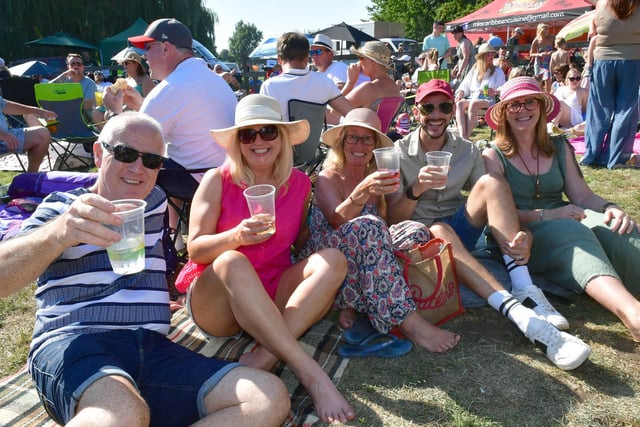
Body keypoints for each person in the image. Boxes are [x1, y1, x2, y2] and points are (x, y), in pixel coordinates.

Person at [0, 112, 290, 426]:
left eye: (152, 161)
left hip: (152, 348)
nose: (139, 169)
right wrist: (59, 233)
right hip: (78, 342)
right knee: (120, 413)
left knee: (266, 397)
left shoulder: (154, 201)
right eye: (125, 154)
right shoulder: (63, 208)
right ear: (99, 153)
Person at [385, 79, 592, 370]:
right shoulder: (397, 151)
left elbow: (497, 200)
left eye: (444, 107)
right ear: (416, 111)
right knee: (438, 231)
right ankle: (523, 317)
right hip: (419, 240)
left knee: (493, 182)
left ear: (452, 110)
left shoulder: (467, 150)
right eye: (427, 107)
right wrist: (416, 188)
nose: (436, 114)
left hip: (460, 228)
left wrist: (525, 236)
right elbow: (394, 218)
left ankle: (524, 287)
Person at [174, 94, 355, 424]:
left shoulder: (299, 183)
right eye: (248, 134)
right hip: (218, 302)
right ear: (238, 142)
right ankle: (311, 373)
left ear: (282, 137)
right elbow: (195, 249)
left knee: (333, 260)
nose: (258, 141)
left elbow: (298, 240)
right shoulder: (218, 179)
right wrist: (236, 237)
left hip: (271, 292)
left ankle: (265, 356)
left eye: (268, 131)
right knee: (232, 260)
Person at [483, 76, 640, 343]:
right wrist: (549, 215)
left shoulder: (559, 146)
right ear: (504, 114)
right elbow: (499, 214)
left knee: (617, 228)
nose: (523, 110)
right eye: (514, 105)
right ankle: (632, 313)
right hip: (523, 230)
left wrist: (611, 207)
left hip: (565, 214)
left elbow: (581, 195)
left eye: (529, 102)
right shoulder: (492, 155)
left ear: (542, 107)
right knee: (572, 231)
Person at [301, 108, 461, 353]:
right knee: (369, 225)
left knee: (415, 230)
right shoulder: (328, 176)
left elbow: (393, 221)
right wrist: (361, 193)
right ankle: (408, 322)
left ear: (375, 144)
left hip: (366, 256)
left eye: (367, 138)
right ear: (342, 142)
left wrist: (416, 188)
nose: (359, 144)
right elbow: (336, 220)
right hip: (328, 257)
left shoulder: (379, 175)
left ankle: (357, 302)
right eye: (352, 137)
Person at [121, 18, 238, 235]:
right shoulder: (213, 80)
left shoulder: (170, 88)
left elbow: (129, 143)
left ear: (165, 48)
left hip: (199, 180)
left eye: (148, 47)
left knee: (130, 167)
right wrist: (141, 105)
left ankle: (146, 238)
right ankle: (173, 235)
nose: (144, 56)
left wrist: (117, 111)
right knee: (169, 159)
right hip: (229, 177)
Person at [581, 0, 640, 169]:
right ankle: (616, 158)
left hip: (603, 60)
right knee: (625, 110)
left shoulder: (601, 4)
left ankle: (591, 155)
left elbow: (593, 33)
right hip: (632, 60)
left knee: (599, 110)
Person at [259, 32, 352, 122]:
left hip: (285, 137)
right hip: (316, 137)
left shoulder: (269, 86)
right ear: (307, 58)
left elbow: (263, 124)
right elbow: (350, 112)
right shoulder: (324, 81)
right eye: (313, 52)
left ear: (279, 59)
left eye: (318, 52)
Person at [455, 44, 506, 140]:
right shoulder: (474, 71)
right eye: (488, 54)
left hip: (488, 99)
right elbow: (464, 85)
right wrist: (460, 93)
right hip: (473, 97)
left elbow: (503, 87)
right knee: (459, 104)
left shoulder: (497, 71)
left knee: (474, 104)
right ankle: (462, 136)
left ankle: (466, 138)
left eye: (492, 54)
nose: (491, 57)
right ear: (482, 56)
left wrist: (495, 92)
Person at [0, 96, 55, 173]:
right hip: (4, 136)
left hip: (7, 136)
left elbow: (6, 105)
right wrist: (2, 135)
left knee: (42, 133)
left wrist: (37, 111)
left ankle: (31, 176)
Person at [342, 41, 401, 109]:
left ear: (372, 61)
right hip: (384, 120)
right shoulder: (394, 87)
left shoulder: (367, 88)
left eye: (362, 58)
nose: (359, 62)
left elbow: (334, 111)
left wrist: (350, 83)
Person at [49, 53, 97, 120]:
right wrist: (64, 74)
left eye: (79, 64)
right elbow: (46, 89)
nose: (75, 66)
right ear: (68, 67)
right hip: (61, 115)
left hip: (81, 116)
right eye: (72, 64)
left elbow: (87, 106)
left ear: (83, 67)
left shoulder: (90, 83)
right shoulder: (63, 79)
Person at [529, 24, 555, 93]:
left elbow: (557, 48)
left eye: (547, 32)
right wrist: (539, 54)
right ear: (540, 32)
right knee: (539, 79)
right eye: (544, 32)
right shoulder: (536, 40)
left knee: (547, 79)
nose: (546, 34)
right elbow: (531, 54)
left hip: (549, 61)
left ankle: (548, 94)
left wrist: (552, 52)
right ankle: (539, 94)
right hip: (539, 62)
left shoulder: (552, 38)